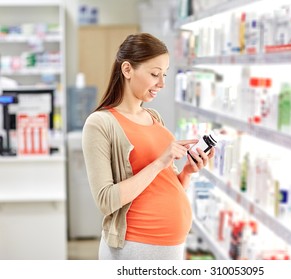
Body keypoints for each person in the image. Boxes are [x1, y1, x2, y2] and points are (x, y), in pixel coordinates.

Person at [82, 32, 215, 260]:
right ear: (127, 70)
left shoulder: (154, 117)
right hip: (133, 249)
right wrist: (160, 161)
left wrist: (187, 173)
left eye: (164, 74)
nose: (161, 83)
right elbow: (106, 200)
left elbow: (162, 186)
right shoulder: (100, 123)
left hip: (171, 249)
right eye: (154, 74)